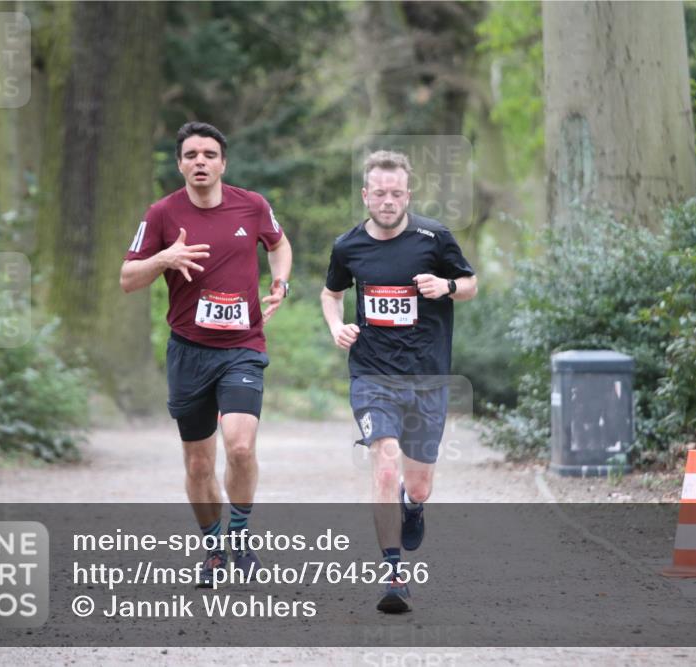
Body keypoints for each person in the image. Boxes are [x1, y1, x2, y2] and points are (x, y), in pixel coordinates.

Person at [120, 121, 292, 584]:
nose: (201, 161)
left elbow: (279, 244)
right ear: (179, 164)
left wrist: (280, 282)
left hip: (242, 347)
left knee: (239, 445)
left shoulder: (251, 205)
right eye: (191, 155)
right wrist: (163, 260)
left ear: (223, 163)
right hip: (189, 351)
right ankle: (213, 548)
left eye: (209, 154)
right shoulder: (161, 214)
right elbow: (127, 278)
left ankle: (239, 537)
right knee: (198, 462)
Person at [320, 150, 477, 613]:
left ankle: (414, 503)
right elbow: (331, 295)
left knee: (419, 483)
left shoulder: (434, 237)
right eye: (379, 193)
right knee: (385, 465)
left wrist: (446, 287)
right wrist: (336, 327)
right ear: (366, 195)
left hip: (428, 377)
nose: (387, 201)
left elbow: (470, 282)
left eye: (396, 193)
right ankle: (393, 575)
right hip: (372, 375)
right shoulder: (348, 246)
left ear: (407, 195)